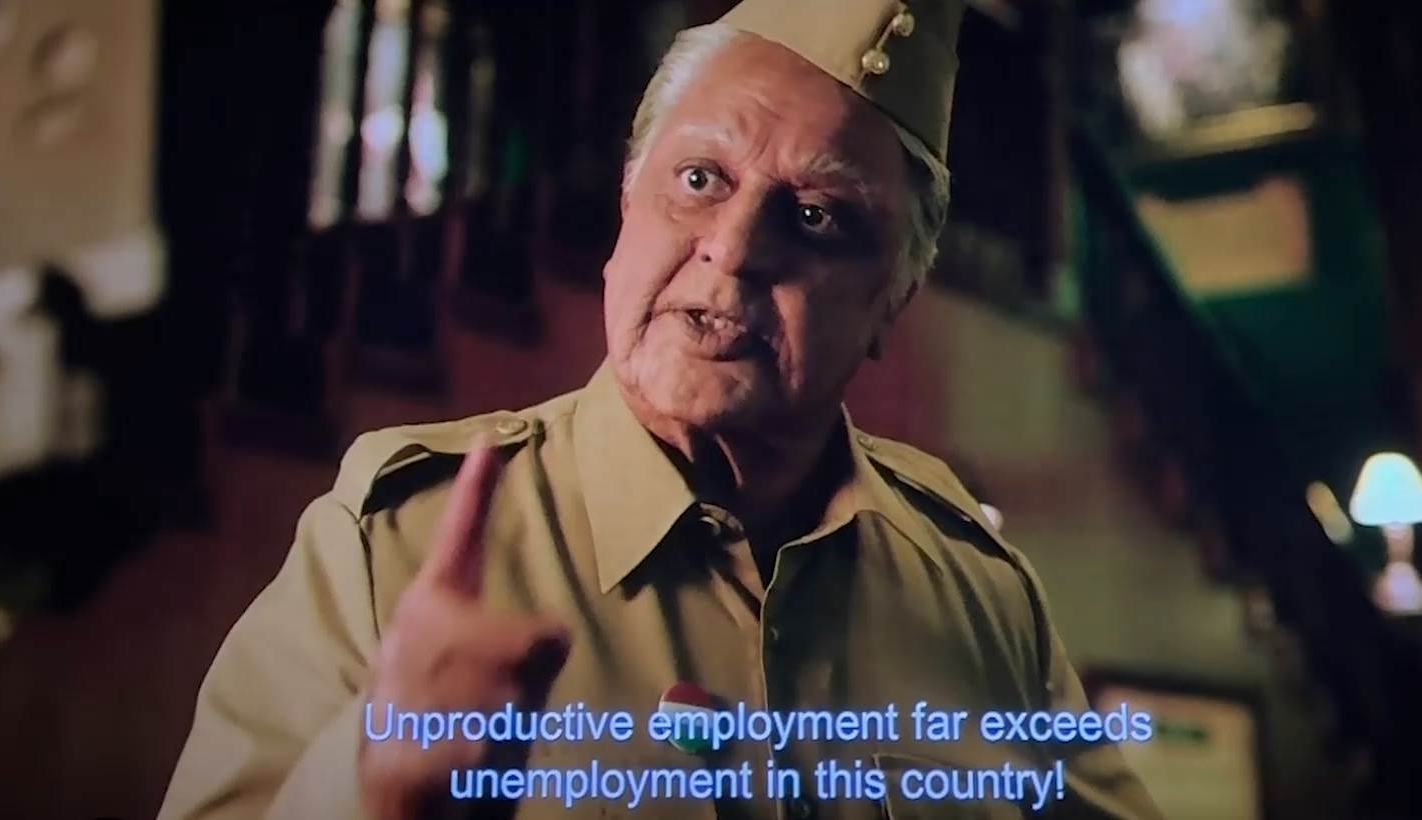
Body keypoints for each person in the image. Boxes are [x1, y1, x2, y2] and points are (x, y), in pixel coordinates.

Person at [158, 1, 1160, 817]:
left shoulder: (983, 595)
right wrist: (369, 790)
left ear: (889, 302)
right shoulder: (394, 539)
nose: (735, 247)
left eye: (817, 216)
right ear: (626, 207)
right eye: (699, 178)